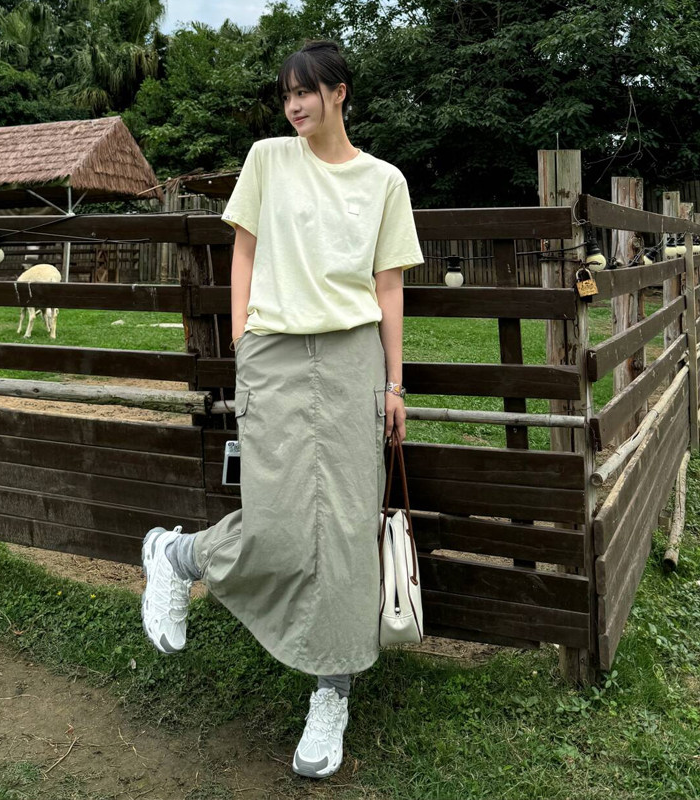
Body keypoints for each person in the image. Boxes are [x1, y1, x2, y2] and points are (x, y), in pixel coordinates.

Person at [140, 39, 423, 779]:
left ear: (340, 92)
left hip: (354, 358)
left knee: (349, 527)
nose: (294, 105)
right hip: (273, 354)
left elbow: (389, 286)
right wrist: (243, 339)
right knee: (276, 518)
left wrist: (394, 384)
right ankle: (178, 556)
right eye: (287, 93)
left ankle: (332, 693)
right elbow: (243, 251)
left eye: (307, 91)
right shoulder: (267, 159)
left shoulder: (384, 181)